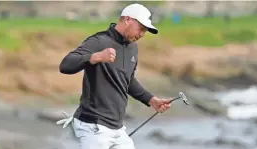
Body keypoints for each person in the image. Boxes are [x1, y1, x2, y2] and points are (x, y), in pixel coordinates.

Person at [57, 3, 172, 149]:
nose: (142, 34)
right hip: (93, 127)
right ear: (127, 20)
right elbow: (65, 65)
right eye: (141, 28)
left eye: (145, 31)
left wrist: (151, 100)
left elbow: (127, 80)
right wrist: (95, 57)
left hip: (117, 129)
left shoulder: (132, 48)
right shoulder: (99, 41)